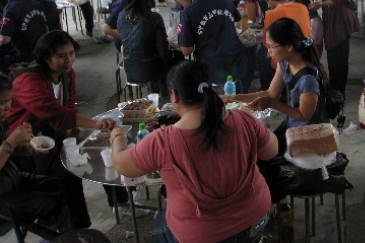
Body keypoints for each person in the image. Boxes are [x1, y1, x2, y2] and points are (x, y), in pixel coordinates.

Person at [111, 60, 278, 243]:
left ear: (175, 96)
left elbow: (123, 165)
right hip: (255, 218)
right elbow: (271, 151)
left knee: (159, 226)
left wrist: (117, 135)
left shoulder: (163, 141)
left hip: (204, 234)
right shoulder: (244, 119)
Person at [6, 31, 119, 229]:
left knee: (102, 149)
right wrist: (95, 124)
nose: (69, 60)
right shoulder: (29, 81)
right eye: (61, 56)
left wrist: (72, 128)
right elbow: (56, 113)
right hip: (27, 147)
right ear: (45, 58)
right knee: (69, 173)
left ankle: (120, 202)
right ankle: (76, 229)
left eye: (71, 53)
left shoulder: (67, 74)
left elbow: (70, 104)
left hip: (55, 133)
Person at [227, 18, 328, 150]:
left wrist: (272, 104)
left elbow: (304, 116)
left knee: (259, 150)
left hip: (311, 137)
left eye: (271, 47)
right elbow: (270, 93)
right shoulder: (285, 62)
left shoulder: (308, 79)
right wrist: (231, 98)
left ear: (289, 47)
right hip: (294, 126)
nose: (268, 54)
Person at [0, 74, 68, 232]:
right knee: (49, 201)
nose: (8, 107)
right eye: (2, 103)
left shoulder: (2, 120)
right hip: (3, 196)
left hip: (13, 179)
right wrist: (11, 142)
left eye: (10, 101)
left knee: (59, 185)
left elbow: (12, 149)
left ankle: (54, 232)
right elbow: (7, 145)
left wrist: (27, 147)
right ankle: (56, 235)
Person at [295, 0, 359, 99]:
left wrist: (321, 4)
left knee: (339, 56)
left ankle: (339, 92)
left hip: (340, 19)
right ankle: (335, 88)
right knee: (332, 55)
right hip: (329, 18)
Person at [178, 0, 247, 89]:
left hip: (211, 67)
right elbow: (237, 20)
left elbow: (186, 50)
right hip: (236, 60)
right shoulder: (225, 0)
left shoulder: (188, 12)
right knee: (236, 96)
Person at [117, 0, 170, 94]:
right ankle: (163, 98)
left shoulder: (121, 16)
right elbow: (163, 50)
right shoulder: (154, 18)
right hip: (149, 70)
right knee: (176, 61)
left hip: (129, 69)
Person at [0, 0, 47, 69]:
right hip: (43, 48)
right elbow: (46, 29)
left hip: (25, 54)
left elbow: (5, 40)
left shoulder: (10, 9)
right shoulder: (37, 4)